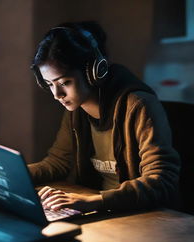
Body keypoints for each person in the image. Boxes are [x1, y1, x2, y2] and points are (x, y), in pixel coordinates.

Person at [28, 21, 180, 213]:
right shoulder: (76, 108)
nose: (57, 94)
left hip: (141, 214)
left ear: (93, 71)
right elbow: (58, 162)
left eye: (65, 82)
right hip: (103, 211)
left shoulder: (139, 105)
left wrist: (95, 201)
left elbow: (161, 180)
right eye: (49, 84)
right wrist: (11, 174)